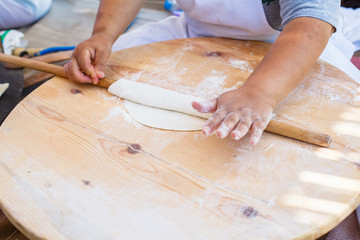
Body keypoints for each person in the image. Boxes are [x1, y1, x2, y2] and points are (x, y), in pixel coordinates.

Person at [65, 0, 352, 146]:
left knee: (348, 123)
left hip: (284, 43)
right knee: (112, 61)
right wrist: (103, 35)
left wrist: (260, 92)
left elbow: (310, 24)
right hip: (191, 29)